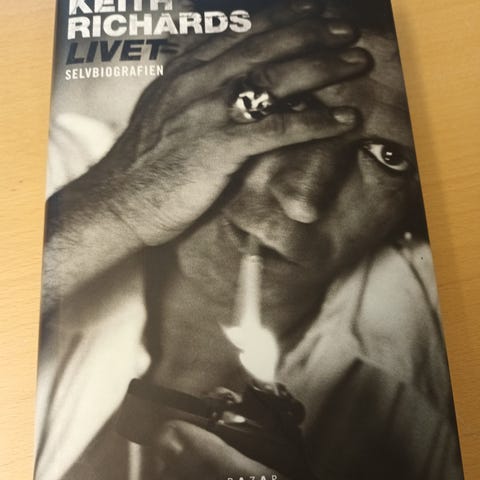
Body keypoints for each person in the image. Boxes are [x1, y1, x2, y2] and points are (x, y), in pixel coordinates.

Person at [35, 1, 464, 479]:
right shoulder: (43, 179)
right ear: (189, 82)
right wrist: (115, 206)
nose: (302, 202)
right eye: (292, 103)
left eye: (388, 156)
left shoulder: (439, 366)